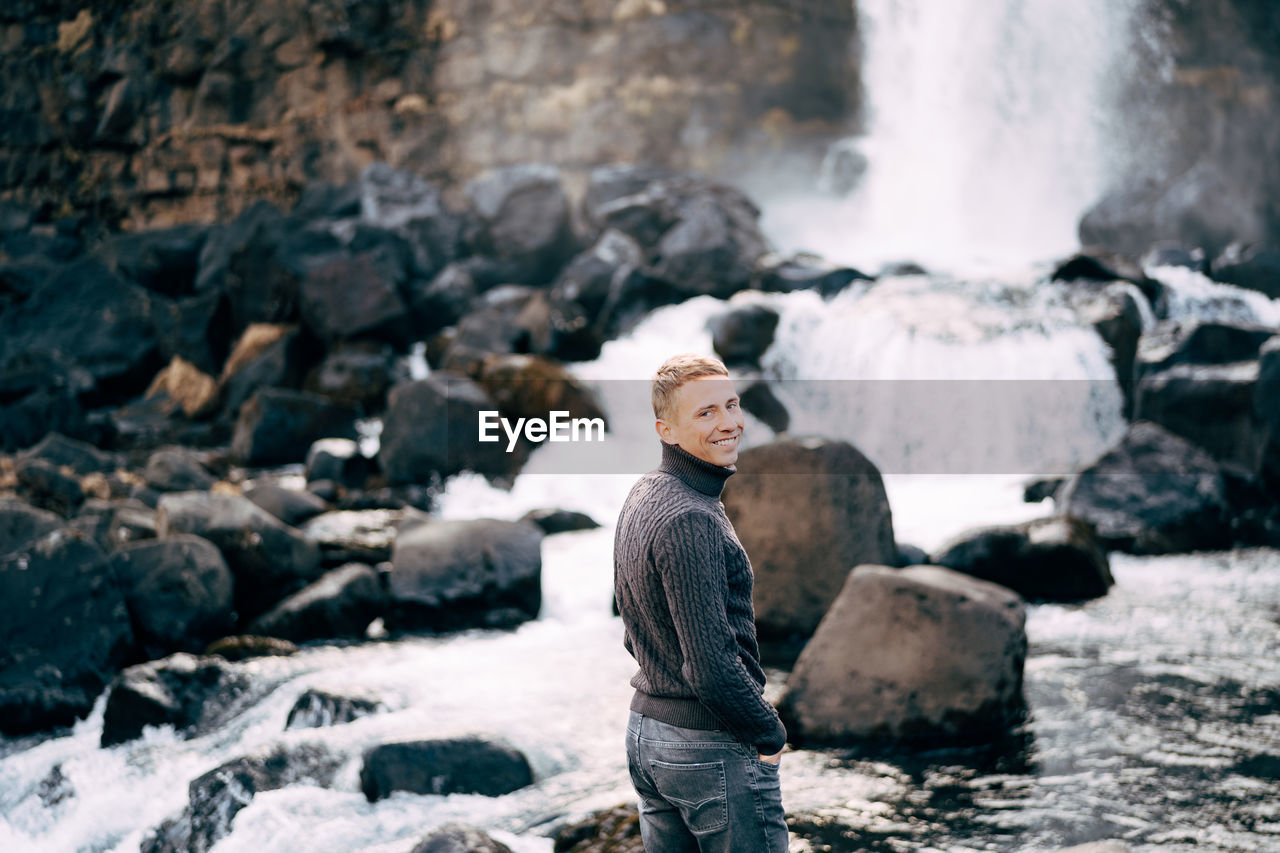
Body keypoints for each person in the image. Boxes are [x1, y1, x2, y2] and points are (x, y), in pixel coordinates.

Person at [614, 353, 788, 852]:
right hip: (706, 746)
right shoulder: (692, 517)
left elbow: (633, 629)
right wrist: (769, 733)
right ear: (666, 430)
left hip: (648, 733)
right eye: (706, 412)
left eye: (731, 405)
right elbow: (712, 667)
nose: (729, 422)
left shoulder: (646, 492)